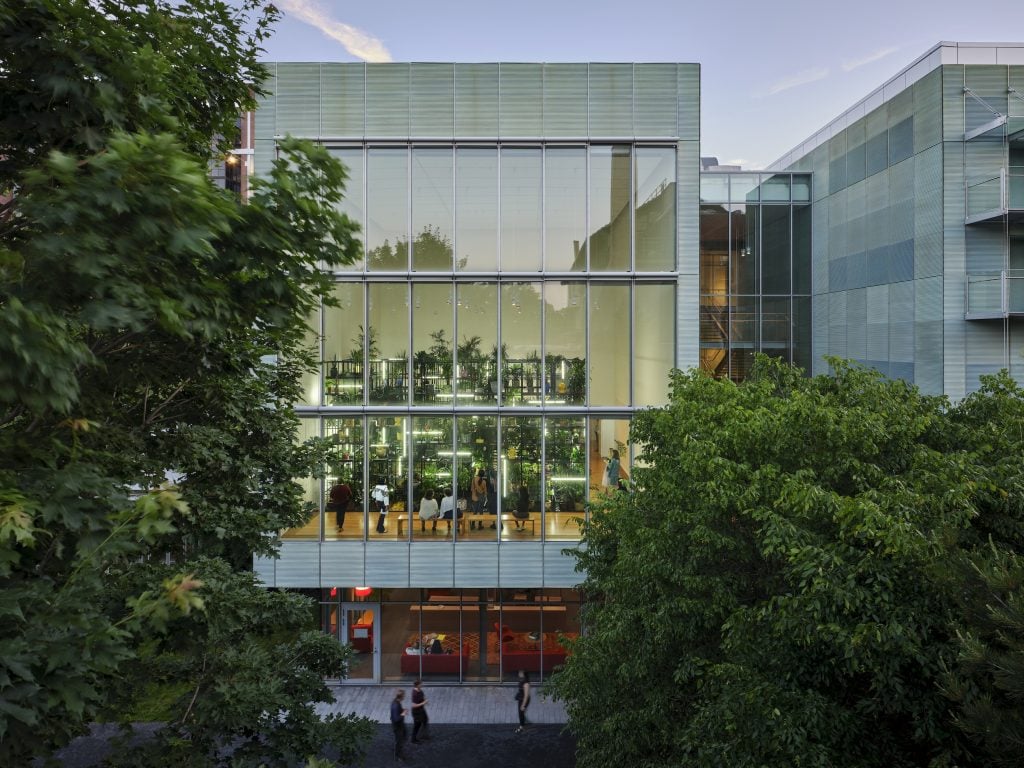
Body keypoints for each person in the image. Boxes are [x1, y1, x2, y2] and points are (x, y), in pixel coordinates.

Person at [390, 689, 408, 761]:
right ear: (401, 696)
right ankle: (398, 755)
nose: (405, 697)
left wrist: (402, 710)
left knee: (404, 735)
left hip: (400, 725)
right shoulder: (395, 705)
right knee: (399, 740)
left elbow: (397, 712)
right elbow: (396, 719)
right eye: (404, 695)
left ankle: (397, 748)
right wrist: (403, 714)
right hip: (397, 726)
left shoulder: (397, 702)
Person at [410, 679, 430, 743]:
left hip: (421, 709)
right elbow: (414, 705)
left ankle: (423, 734)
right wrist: (423, 703)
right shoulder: (415, 693)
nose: (422, 685)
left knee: (425, 719)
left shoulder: (420, 690)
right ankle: (413, 739)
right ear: (417, 685)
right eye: (420, 684)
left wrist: (425, 700)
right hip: (416, 711)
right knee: (417, 725)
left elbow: (422, 697)